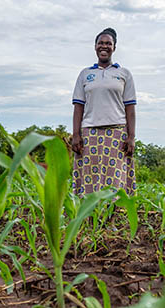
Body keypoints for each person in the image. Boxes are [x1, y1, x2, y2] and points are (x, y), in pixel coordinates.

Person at [71, 27, 136, 196]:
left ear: (114, 47)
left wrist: (131, 137)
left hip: (116, 133)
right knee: (89, 178)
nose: (104, 46)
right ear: (95, 47)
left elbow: (130, 108)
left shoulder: (123, 74)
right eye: (101, 43)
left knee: (115, 179)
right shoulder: (86, 74)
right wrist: (76, 135)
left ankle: (110, 219)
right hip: (89, 133)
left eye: (108, 43)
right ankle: (88, 218)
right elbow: (78, 107)